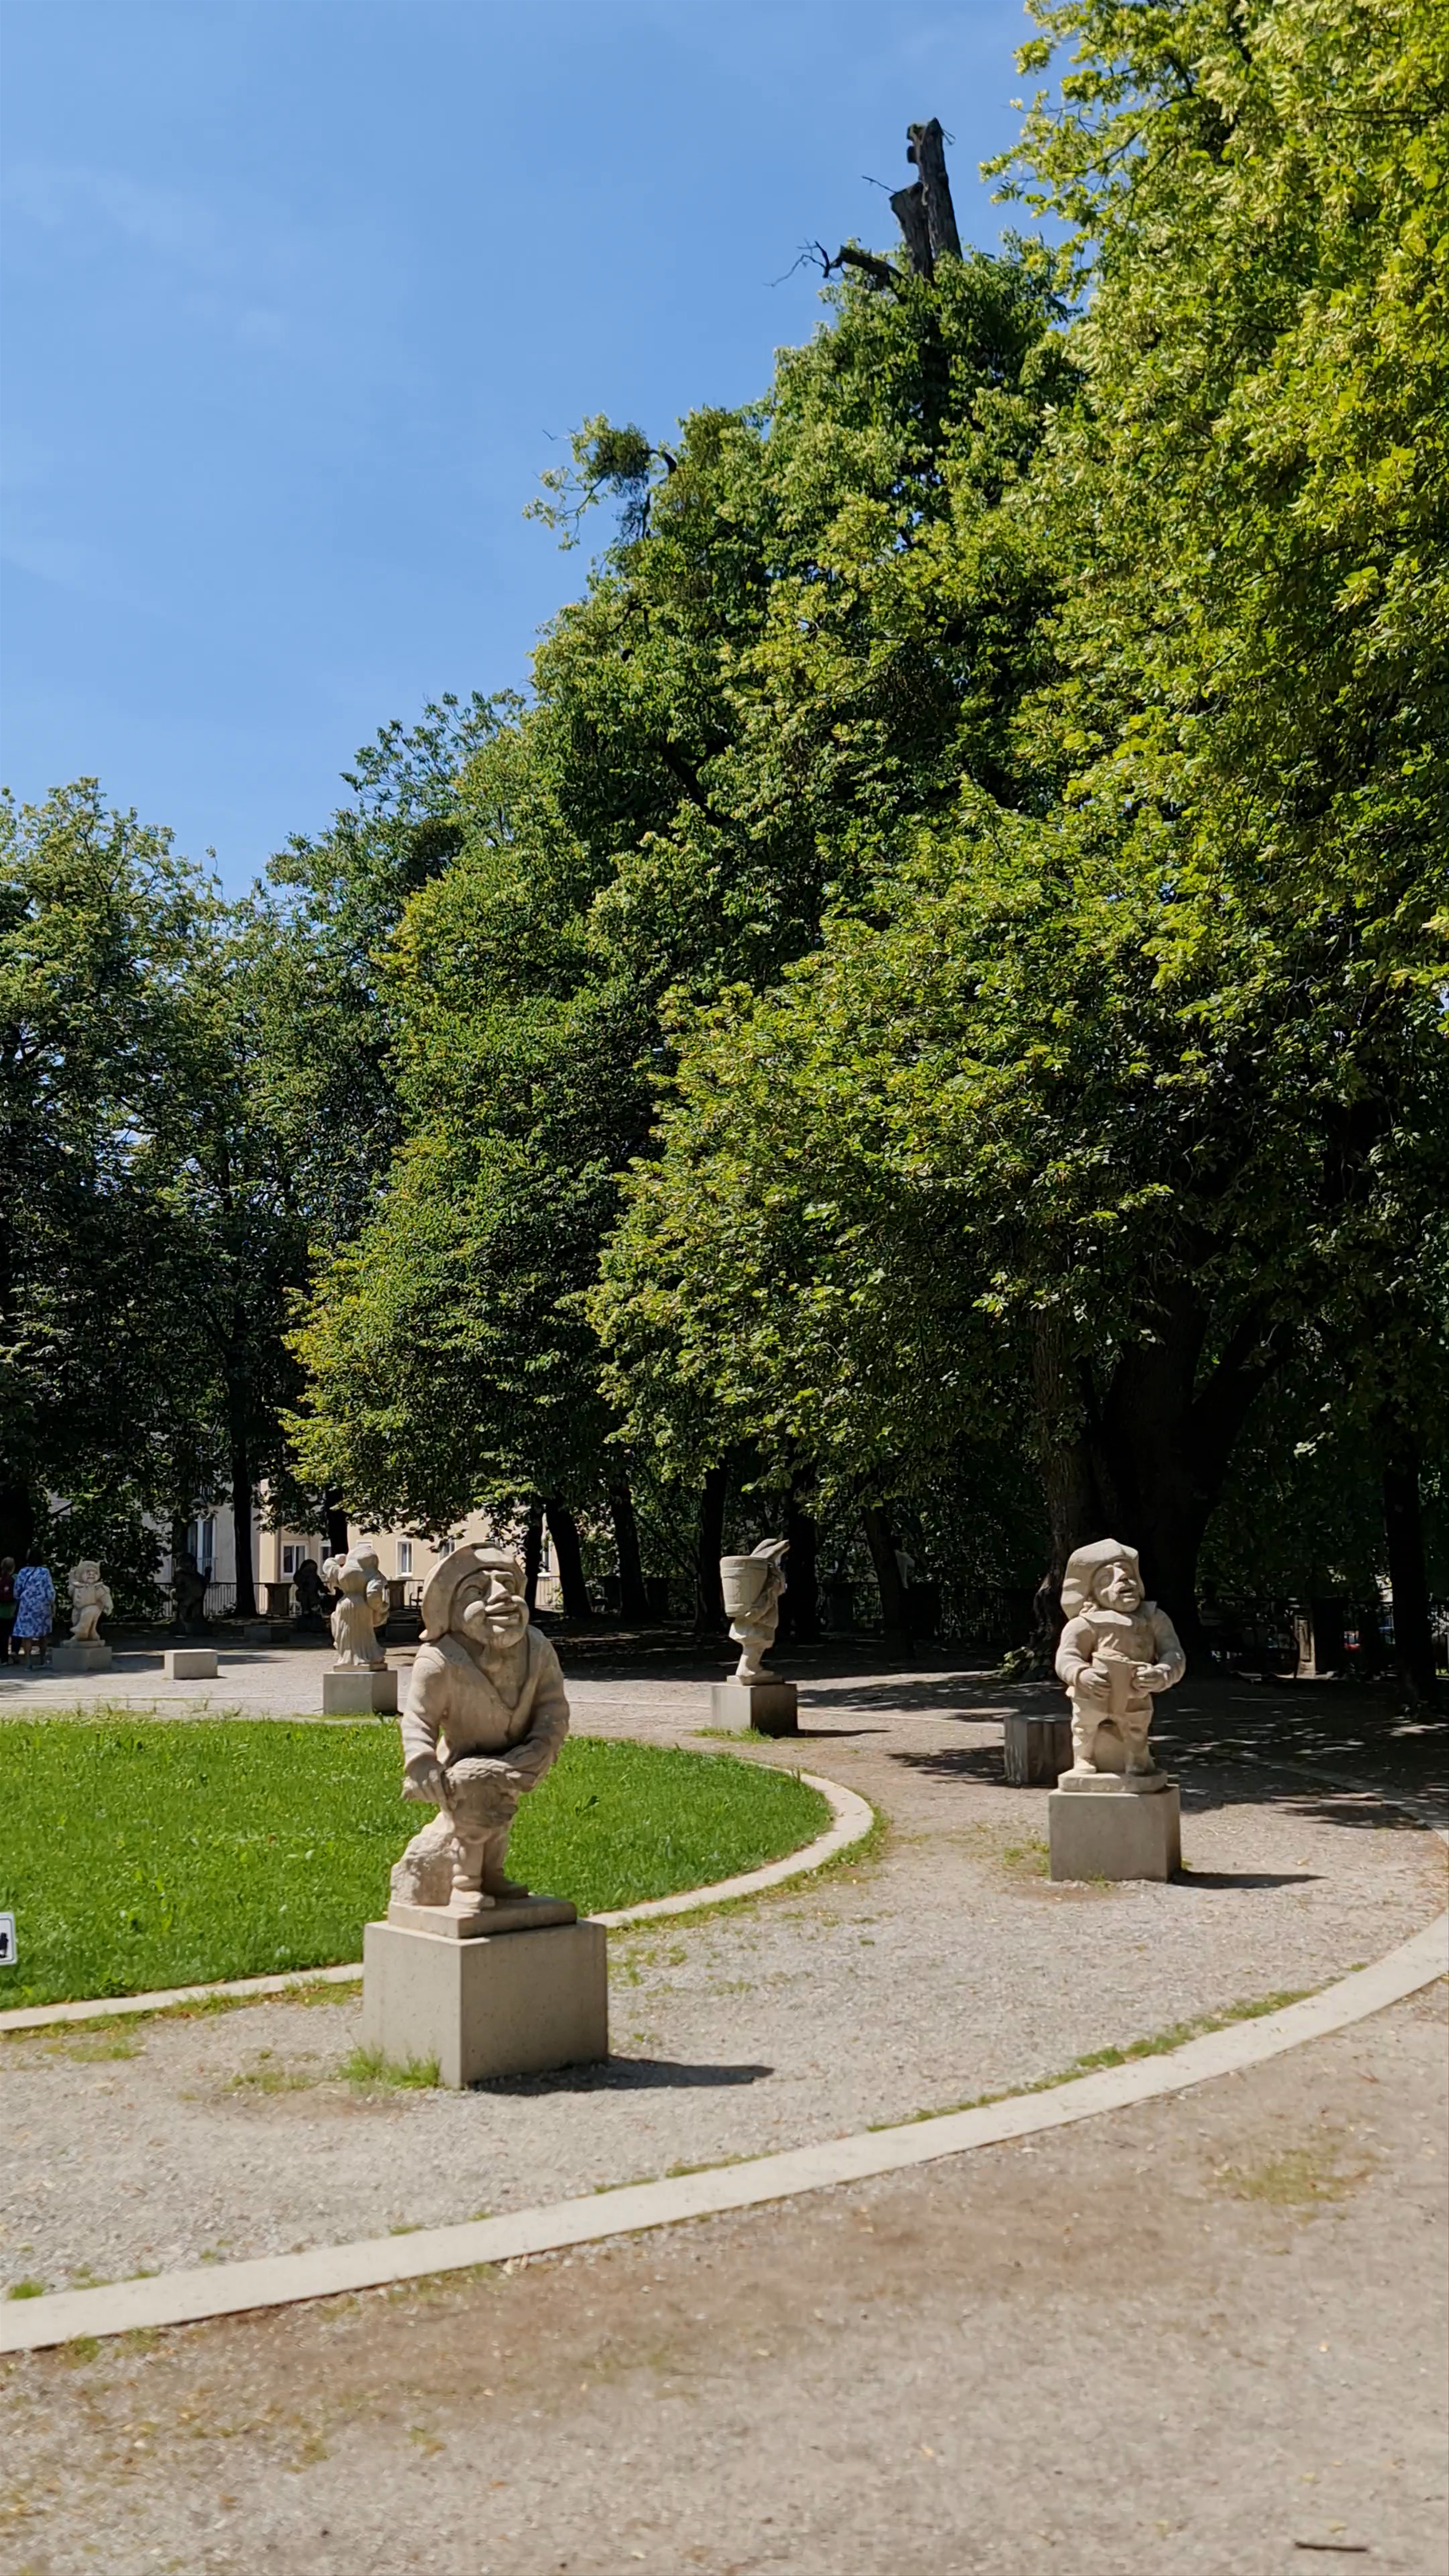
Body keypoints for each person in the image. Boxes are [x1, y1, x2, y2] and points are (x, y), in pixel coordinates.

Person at [12, 1550, 56, 1666]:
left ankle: (28, 1661)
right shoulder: (45, 1572)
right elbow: (49, 1589)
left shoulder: (23, 1572)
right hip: (42, 1605)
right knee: (43, 1633)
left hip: (26, 1606)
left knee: (27, 1635)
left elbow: (17, 1591)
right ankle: (43, 1660)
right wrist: (52, 1602)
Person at [0, 1557, 15, 1664]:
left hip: (1, 1612)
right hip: (11, 1611)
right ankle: (13, 1654)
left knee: (2, 1636)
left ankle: (3, 1659)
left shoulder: (1, 1580)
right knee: (11, 1635)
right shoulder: (15, 1579)